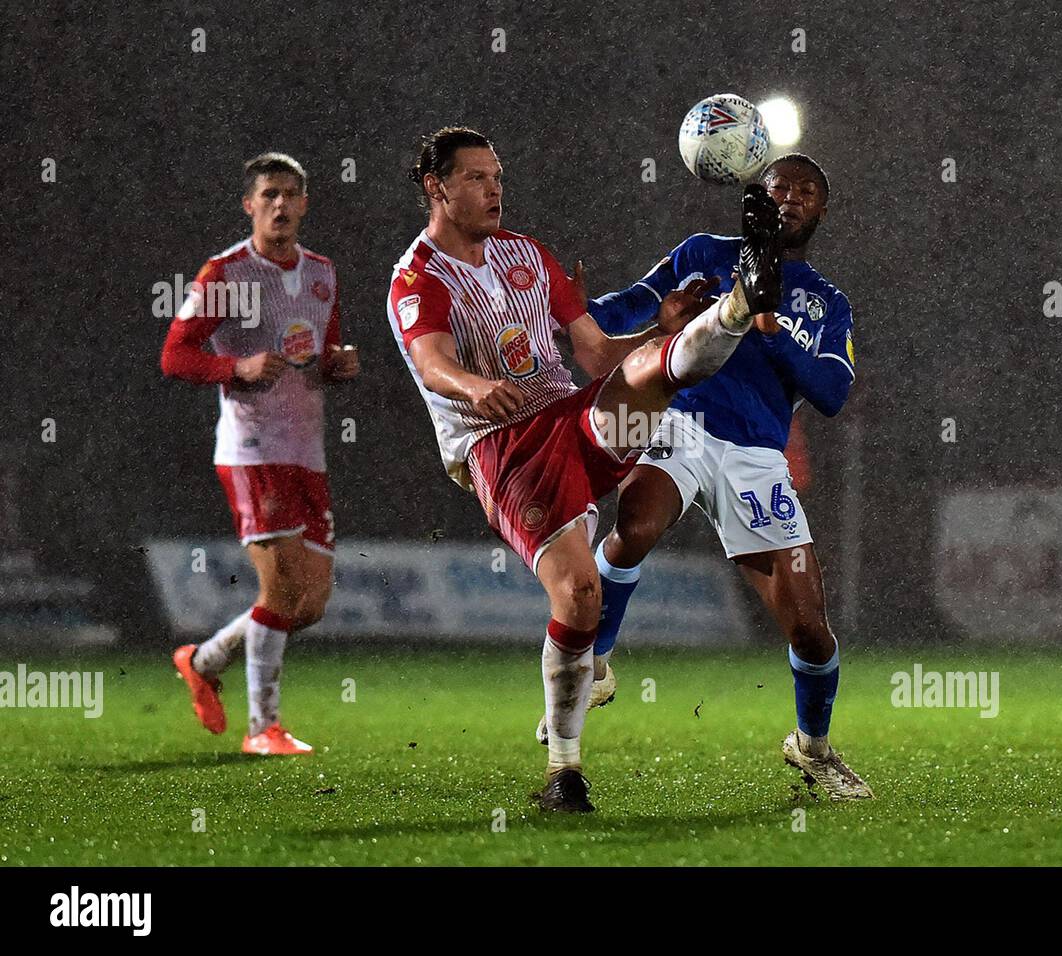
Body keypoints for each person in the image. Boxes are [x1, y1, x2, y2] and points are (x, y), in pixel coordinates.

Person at [385, 126, 781, 811]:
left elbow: (597, 356)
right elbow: (431, 362)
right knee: (578, 595)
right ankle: (562, 773)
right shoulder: (417, 277)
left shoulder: (529, 255)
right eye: (477, 177)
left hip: (573, 420)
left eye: (499, 176)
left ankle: (738, 307)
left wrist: (661, 326)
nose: (494, 190)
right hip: (501, 449)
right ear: (436, 188)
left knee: (645, 373)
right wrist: (475, 387)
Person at [567, 153, 874, 800]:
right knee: (637, 523)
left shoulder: (827, 302)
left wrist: (769, 326)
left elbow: (833, 392)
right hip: (680, 421)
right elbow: (633, 305)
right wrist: (567, 311)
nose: (790, 197)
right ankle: (594, 662)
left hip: (756, 457)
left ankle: (812, 746)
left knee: (811, 631)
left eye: (806, 190)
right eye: (778, 187)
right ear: (754, 198)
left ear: (822, 209)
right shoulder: (705, 252)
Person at [161, 152, 360, 756]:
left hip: (308, 451)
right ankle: (261, 729)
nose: (280, 204)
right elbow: (175, 355)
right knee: (280, 594)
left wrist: (337, 363)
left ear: (305, 203)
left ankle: (203, 659)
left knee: (310, 604)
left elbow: (321, 349)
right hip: (251, 451)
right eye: (269, 193)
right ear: (249, 204)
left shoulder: (323, 272)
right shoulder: (225, 275)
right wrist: (234, 366)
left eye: (290, 194)